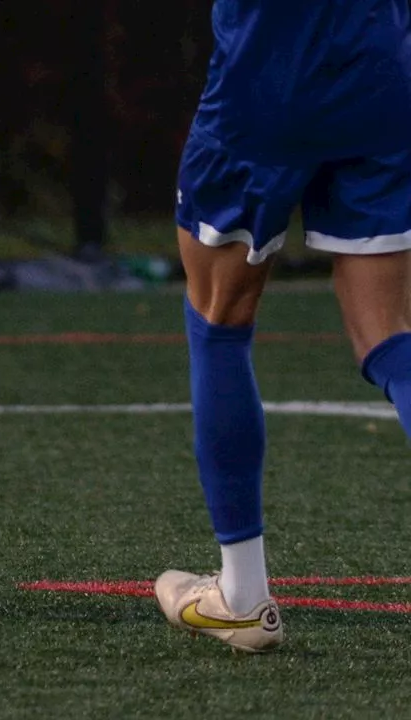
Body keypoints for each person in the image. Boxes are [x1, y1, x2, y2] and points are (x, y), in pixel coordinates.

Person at [154, 0, 411, 652]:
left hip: (266, 77)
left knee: (218, 318)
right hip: (379, 66)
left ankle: (242, 597)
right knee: (390, 336)